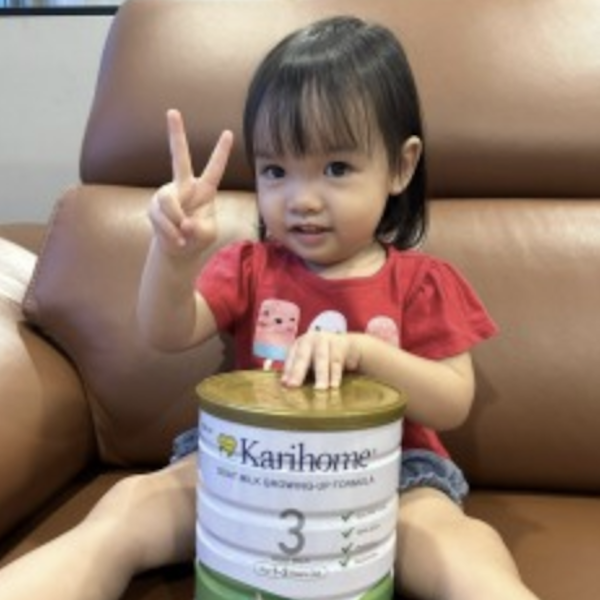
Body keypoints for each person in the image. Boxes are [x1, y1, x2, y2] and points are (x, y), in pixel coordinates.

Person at [0, 16, 541, 600]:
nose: (301, 199)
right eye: (276, 171)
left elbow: (452, 400)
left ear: (401, 167)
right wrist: (173, 257)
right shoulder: (249, 266)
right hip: (250, 459)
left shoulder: (423, 282)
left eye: (336, 168)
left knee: (457, 547)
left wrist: (363, 352)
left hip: (390, 469)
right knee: (129, 507)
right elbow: (165, 330)